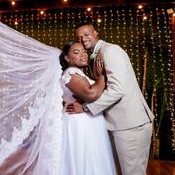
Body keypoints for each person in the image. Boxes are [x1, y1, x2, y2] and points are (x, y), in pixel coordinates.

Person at [67, 23, 155, 175]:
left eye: (87, 35)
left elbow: (117, 89)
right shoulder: (95, 56)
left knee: (133, 172)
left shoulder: (111, 51)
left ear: (96, 33)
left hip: (130, 124)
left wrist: (85, 107)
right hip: (118, 124)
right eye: (79, 38)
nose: (83, 40)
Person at [59, 41, 116, 175]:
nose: (83, 55)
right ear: (67, 58)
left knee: (92, 160)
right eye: (76, 52)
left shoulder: (79, 73)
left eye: (84, 52)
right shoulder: (71, 73)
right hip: (79, 123)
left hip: (88, 121)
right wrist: (102, 76)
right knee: (84, 160)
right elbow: (91, 94)